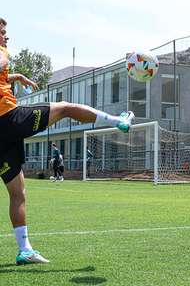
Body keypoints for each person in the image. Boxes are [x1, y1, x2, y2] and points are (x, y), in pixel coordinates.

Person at [0, 18, 135, 265]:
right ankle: (118, 120)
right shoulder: (1, 51)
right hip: (8, 118)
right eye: (2, 32)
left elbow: (3, 75)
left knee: (17, 192)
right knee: (66, 108)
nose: (6, 37)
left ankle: (25, 250)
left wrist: (18, 77)